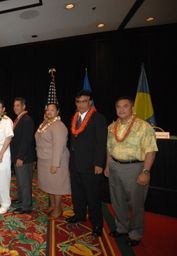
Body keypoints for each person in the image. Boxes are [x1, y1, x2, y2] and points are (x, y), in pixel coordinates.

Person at [105, 96, 158, 246]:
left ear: (132, 108)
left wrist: (145, 171)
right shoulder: (112, 127)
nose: (121, 110)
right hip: (115, 166)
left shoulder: (143, 126)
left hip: (134, 168)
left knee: (136, 204)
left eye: (125, 106)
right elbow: (109, 148)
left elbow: (150, 151)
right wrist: (107, 165)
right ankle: (121, 228)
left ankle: (135, 234)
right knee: (117, 200)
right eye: (118, 107)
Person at [67, 90, 107, 237]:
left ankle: (97, 225)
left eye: (84, 101)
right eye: (78, 101)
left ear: (90, 102)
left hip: (91, 165)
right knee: (77, 193)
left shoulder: (98, 118)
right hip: (75, 164)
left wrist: (99, 164)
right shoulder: (75, 117)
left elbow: (101, 143)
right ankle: (80, 215)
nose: (81, 104)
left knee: (93, 196)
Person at [35, 103, 70, 218]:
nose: (49, 112)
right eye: (47, 110)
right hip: (44, 160)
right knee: (49, 185)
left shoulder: (59, 126)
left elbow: (58, 146)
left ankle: (58, 208)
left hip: (54, 161)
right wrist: (44, 122)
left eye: (52, 110)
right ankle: (53, 205)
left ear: (57, 112)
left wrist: (55, 164)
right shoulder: (45, 124)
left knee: (56, 186)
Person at [11, 97, 35, 214]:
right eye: (14, 105)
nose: (15, 108)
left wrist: (20, 157)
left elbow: (26, 141)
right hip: (17, 156)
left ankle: (26, 206)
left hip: (23, 158)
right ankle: (21, 199)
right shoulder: (18, 119)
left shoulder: (27, 120)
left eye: (18, 105)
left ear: (23, 106)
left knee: (25, 182)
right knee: (20, 181)